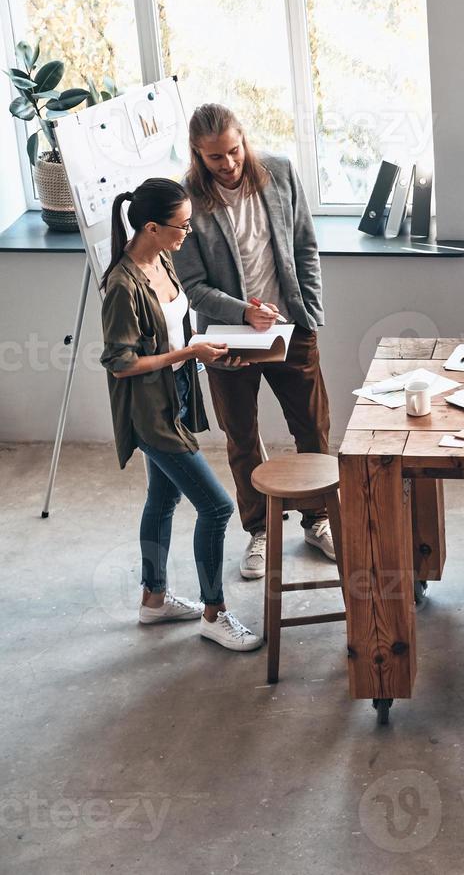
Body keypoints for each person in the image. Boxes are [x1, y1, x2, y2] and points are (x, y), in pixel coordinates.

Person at [100, 178, 263, 652]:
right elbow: (120, 363)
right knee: (217, 507)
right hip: (152, 414)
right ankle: (215, 613)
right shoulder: (121, 286)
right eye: (181, 225)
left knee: (163, 500)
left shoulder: (163, 260)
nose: (187, 234)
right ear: (151, 226)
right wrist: (185, 354)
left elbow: (175, 336)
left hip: (179, 398)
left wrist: (205, 354)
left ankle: (153, 599)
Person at [174, 104, 333, 580]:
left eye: (234, 151)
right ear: (198, 157)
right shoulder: (188, 199)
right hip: (227, 339)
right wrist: (243, 312)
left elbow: (304, 245)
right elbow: (194, 286)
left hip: (291, 326)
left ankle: (318, 518)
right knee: (242, 437)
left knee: (311, 428)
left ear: (245, 139)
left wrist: (311, 313)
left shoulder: (280, 173)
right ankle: (260, 530)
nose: (228, 164)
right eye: (214, 158)